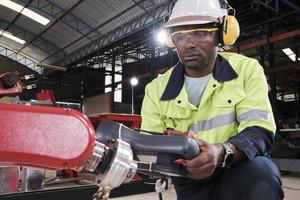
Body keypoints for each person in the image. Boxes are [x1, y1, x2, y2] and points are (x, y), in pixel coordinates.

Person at [140, 0, 284, 199]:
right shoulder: (156, 89)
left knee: (262, 174)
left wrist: (222, 152)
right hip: (190, 180)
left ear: (222, 34)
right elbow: (151, 145)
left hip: (240, 170)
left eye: (200, 33)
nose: (188, 43)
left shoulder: (246, 71)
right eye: (180, 36)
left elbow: (260, 129)